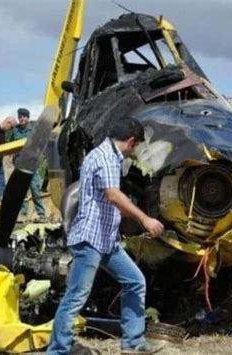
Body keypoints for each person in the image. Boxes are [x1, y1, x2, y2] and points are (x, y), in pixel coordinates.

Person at [47, 117, 164, 355]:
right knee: (76, 296)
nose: (137, 151)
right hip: (91, 240)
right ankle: (58, 349)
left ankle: (133, 343)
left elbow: (109, 200)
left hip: (106, 241)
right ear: (131, 141)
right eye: (138, 145)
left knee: (134, 281)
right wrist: (145, 219)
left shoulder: (101, 154)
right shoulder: (107, 158)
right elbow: (112, 195)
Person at [8, 108, 48, 222]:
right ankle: (22, 215)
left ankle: (41, 214)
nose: (22, 119)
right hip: (19, 164)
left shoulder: (34, 129)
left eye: (24, 117)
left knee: (35, 189)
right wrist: (11, 157)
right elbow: (10, 145)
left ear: (28, 118)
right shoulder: (15, 131)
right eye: (20, 117)